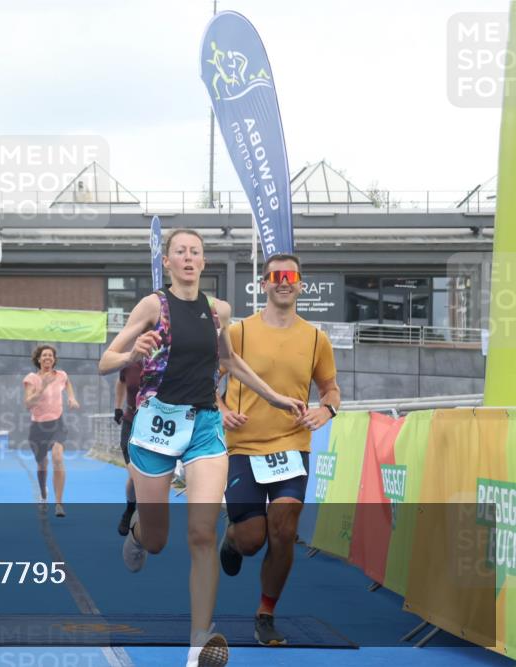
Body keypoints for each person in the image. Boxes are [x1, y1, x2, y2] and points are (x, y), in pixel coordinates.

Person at [98, 228, 306, 667]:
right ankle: (137, 530)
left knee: (202, 534)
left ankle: (199, 641)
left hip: (204, 428)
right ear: (168, 262)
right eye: (180, 252)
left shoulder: (218, 311)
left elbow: (229, 362)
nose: (188, 258)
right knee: (157, 541)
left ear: (204, 261)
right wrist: (133, 353)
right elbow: (105, 362)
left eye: (195, 251)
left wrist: (273, 396)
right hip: (155, 424)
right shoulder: (152, 306)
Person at [217, 254, 341, 647]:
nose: (283, 282)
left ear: (301, 284)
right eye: (276, 276)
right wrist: (220, 410)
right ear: (264, 284)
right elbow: (207, 379)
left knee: (284, 530)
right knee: (253, 538)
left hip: (292, 446)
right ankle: (233, 539)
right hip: (243, 446)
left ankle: (266, 613)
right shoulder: (239, 333)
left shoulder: (316, 338)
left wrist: (327, 410)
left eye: (291, 277)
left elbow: (330, 389)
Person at [23, 344, 79, 517]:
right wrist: (42, 387)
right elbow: (28, 404)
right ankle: (43, 493)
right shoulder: (31, 378)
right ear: (38, 359)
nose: (47, 358)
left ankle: (59, 504)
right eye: (44, 355)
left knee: (57, 457)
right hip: (38, 427)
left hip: (57, 424)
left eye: (50, 355)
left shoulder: (61, 375)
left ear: (54, 359)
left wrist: (71, 397)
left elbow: (67, 384)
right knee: (42, 465)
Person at [114, 360, 143, 536]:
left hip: (155, 427)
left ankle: (143, 514)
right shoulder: (129, 363)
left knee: (143, 476)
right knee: (134, 474)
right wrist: (118, 407)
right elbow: (121, 381)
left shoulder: (167, 361)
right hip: (131, 421)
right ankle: (130, 510)